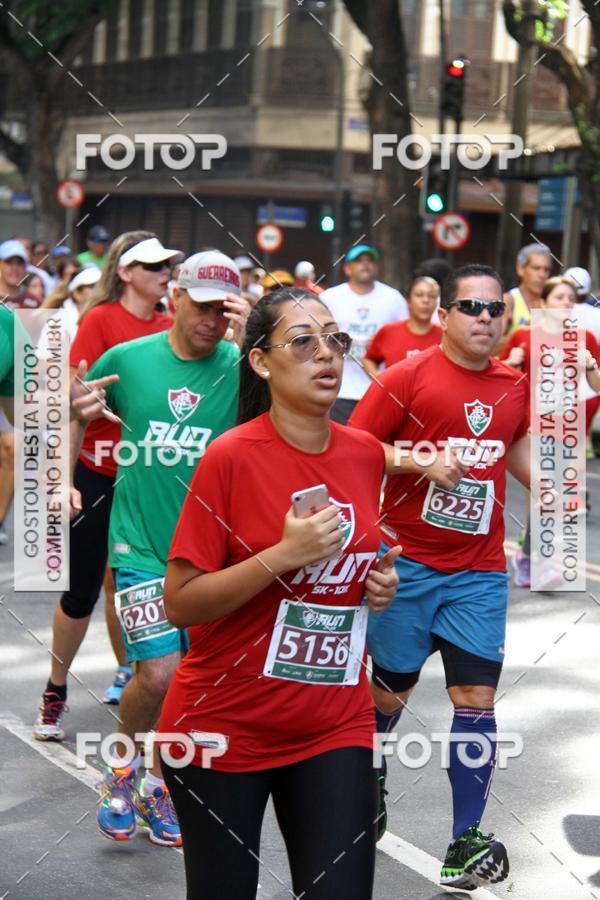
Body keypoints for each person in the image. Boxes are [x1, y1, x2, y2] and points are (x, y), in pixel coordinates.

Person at [158, 287, 400, 899]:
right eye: (303, 341)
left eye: (335, 339)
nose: (326, 353)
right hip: (223, 726)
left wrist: (373, 584)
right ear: (262, 362)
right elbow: (180, 602)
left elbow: (345, 565)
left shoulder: (364, 453)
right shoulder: (231, 457)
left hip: (335, 722)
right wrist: (282, 556)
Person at [349, 264, 530, 890]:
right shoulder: (407, 377)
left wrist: (556, 489)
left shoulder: (513, 386)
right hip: (407, 565)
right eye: (471, 307)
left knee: (477, 697)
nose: (485, 318)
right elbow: (352, 449)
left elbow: (515, 444)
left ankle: (464, 840)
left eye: (495, 309)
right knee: (389, 693)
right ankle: (370, 772)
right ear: (445, 315)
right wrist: (418, 460)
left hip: (478, 570)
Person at [70, 252, 249, 847]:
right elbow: (73, 406)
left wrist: (258, 340)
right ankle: (122, 767)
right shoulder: (129, 358)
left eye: (223, 310)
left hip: (210, 555)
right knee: (159, 671)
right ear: (175, 299)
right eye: (201, 306)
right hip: (140, 545)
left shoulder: (243, 366)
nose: (211, 320)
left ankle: (156, 783)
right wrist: (65, 470)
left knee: (194, 679)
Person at [32, 231, 181, 740]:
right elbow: (72, 401)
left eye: (168, 266)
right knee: (80, 591)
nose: (164, 273)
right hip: (96, 472)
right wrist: (61, 477)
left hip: (146, 478)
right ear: (125, 272)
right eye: (154, 266)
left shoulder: (172, 325)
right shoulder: (100, 320)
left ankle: (133, 673)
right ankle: (55, 689)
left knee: (131, 584)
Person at [502, 276, 600, 584]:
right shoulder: (524, 335)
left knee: (551, 498)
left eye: (570, 298)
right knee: (547, 494)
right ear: (542, 303)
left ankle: (527, 557)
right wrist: (511, 361)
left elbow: (597, 385)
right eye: (559, 297)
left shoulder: (584, 337)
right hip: (533, 427)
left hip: (567, 428)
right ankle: (538, 562)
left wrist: (590, 365)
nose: (566, 302)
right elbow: (501, 377)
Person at [320, 244, 408, 424]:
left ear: (377, 267)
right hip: (340, 389)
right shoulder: (330, 297)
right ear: (347, 268)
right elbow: (316, 335)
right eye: (358, 261)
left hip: (379, 389)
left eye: (370, 260)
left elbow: (404, 338)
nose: (365, 264)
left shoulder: (393, 298)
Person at [363, 275, 441, 376]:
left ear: (437, 301)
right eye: (419, 295)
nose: (425, 301)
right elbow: (369, 360)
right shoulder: (389, 331)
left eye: (432, 296)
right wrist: (381, 379)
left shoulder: (446, 336)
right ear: (408, 301)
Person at [503, 242, 553, 337]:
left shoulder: (552, 302)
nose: (542, 275)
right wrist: (524, 332)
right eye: (536, 268)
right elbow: (493, 344)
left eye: (546, 270)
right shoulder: (509, 300)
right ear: (520, 269)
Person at [42, 266, 101, 345]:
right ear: (76, 293)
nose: (99, 292)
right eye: (93, 287)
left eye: (101, 287)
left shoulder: (106, 317)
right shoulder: (57, 323)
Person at [0, 240, 41, 309]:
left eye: (19, 263)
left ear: (26, 267)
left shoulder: (34, 301)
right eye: (9, 262)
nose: (14, 268)